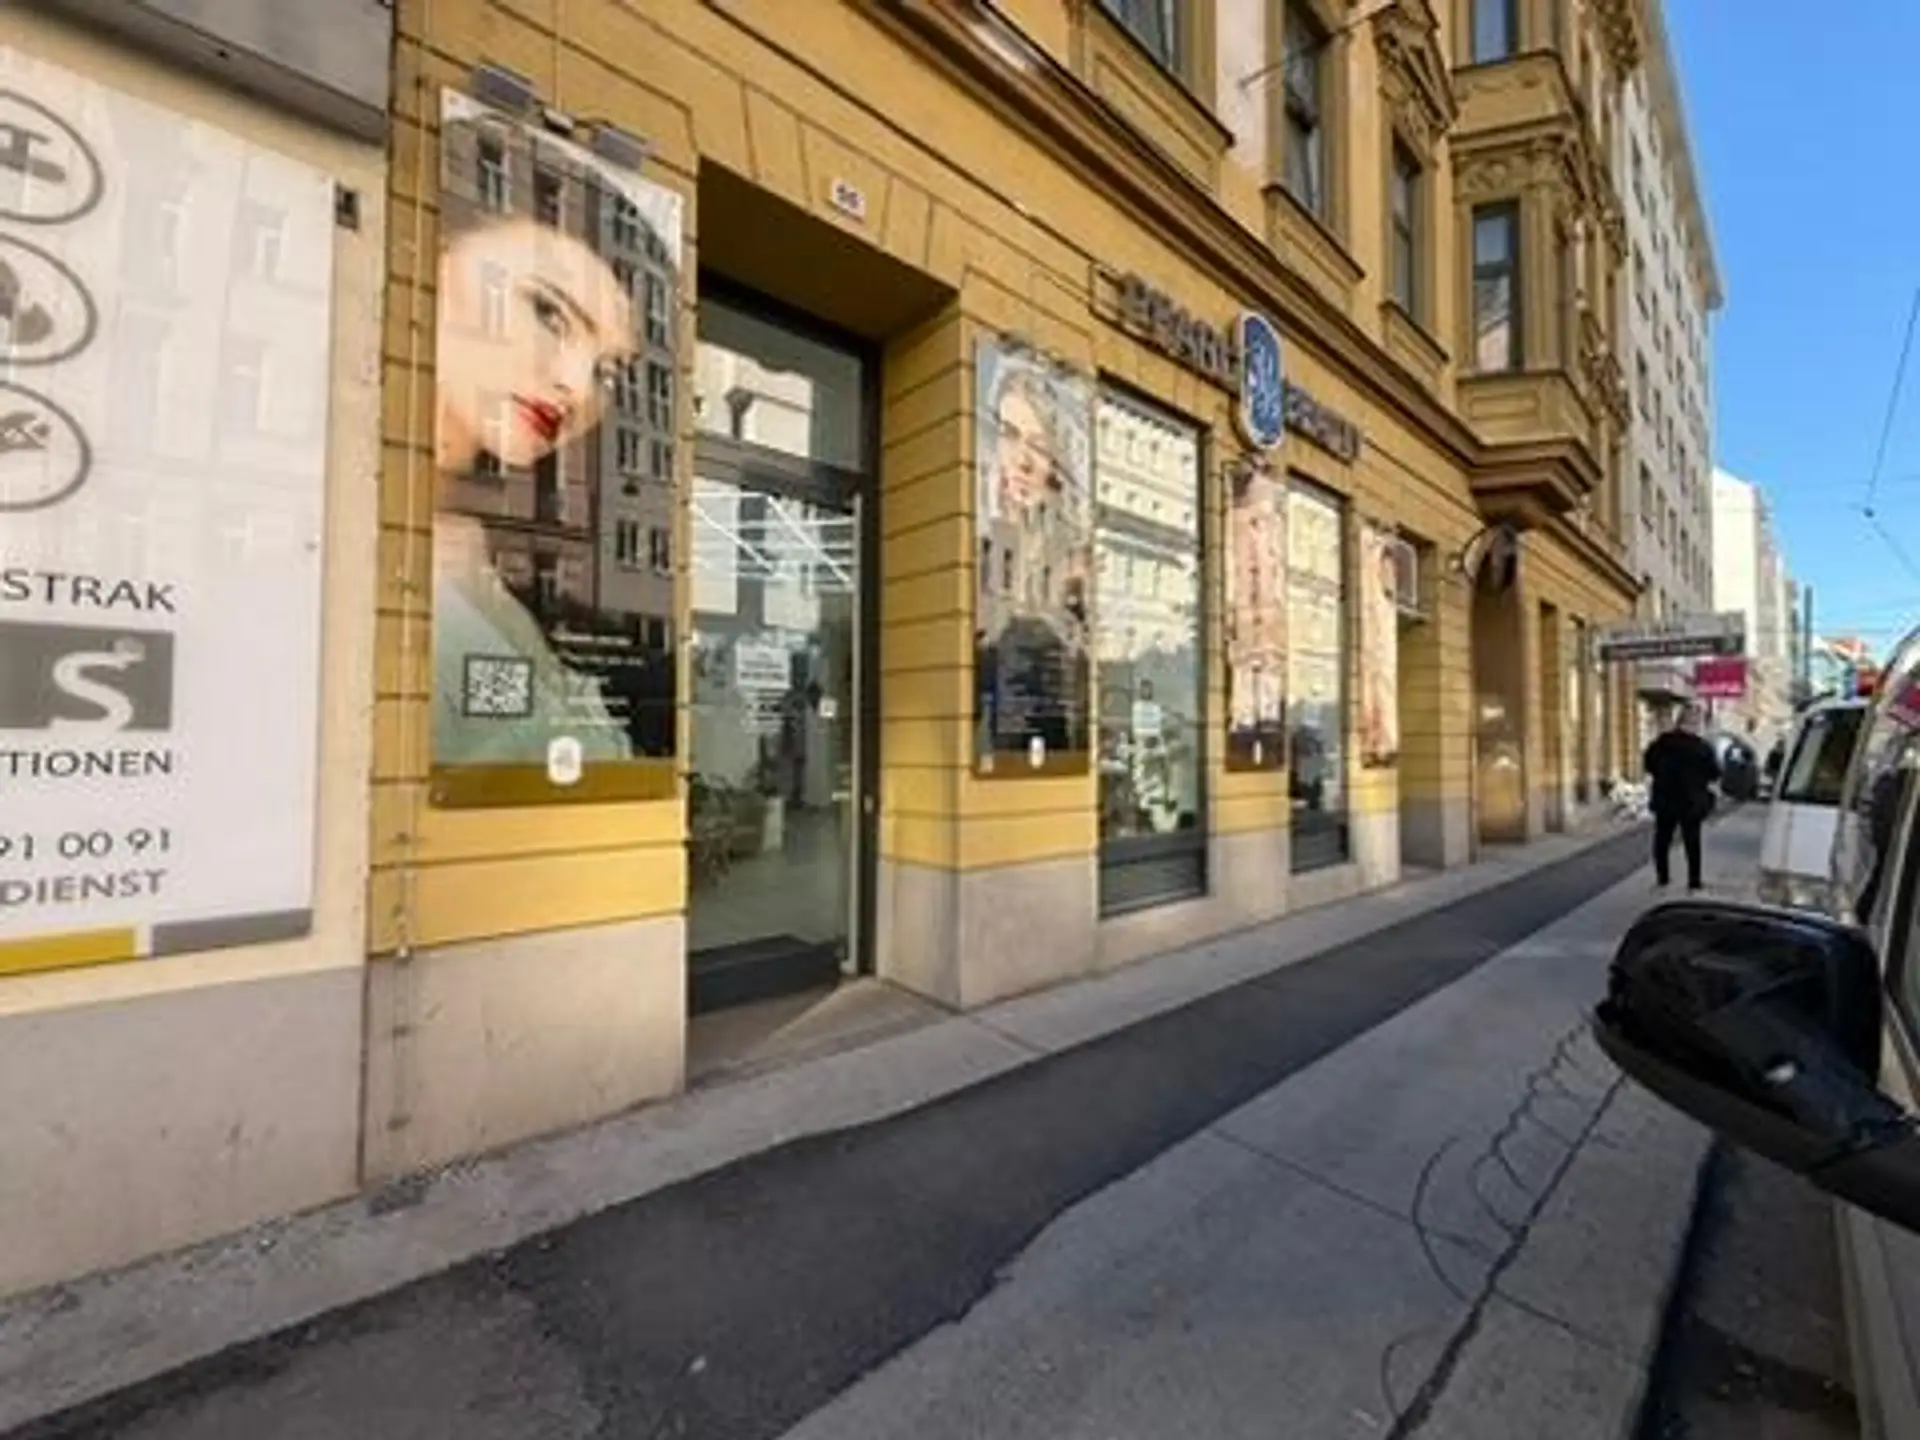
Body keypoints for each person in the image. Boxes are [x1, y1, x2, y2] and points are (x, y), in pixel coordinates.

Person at [431, 102, 644, 769]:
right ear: (436, 260)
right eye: (548, 312)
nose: (577, 386)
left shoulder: (471, 557)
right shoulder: (377, 545)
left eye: (607, 371)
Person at [1643, 703, 1721, 891]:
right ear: (1695, 724)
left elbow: (1649, 764)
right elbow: (1714, 773)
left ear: (1678, 721)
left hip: (1666, 799)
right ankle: (1694, 882)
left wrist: (1663, 776)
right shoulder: (1702, 747)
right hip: (1691, 801)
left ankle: (1663, 879)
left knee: (1662, 840)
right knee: (1692, 842)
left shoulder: (1662, 743)